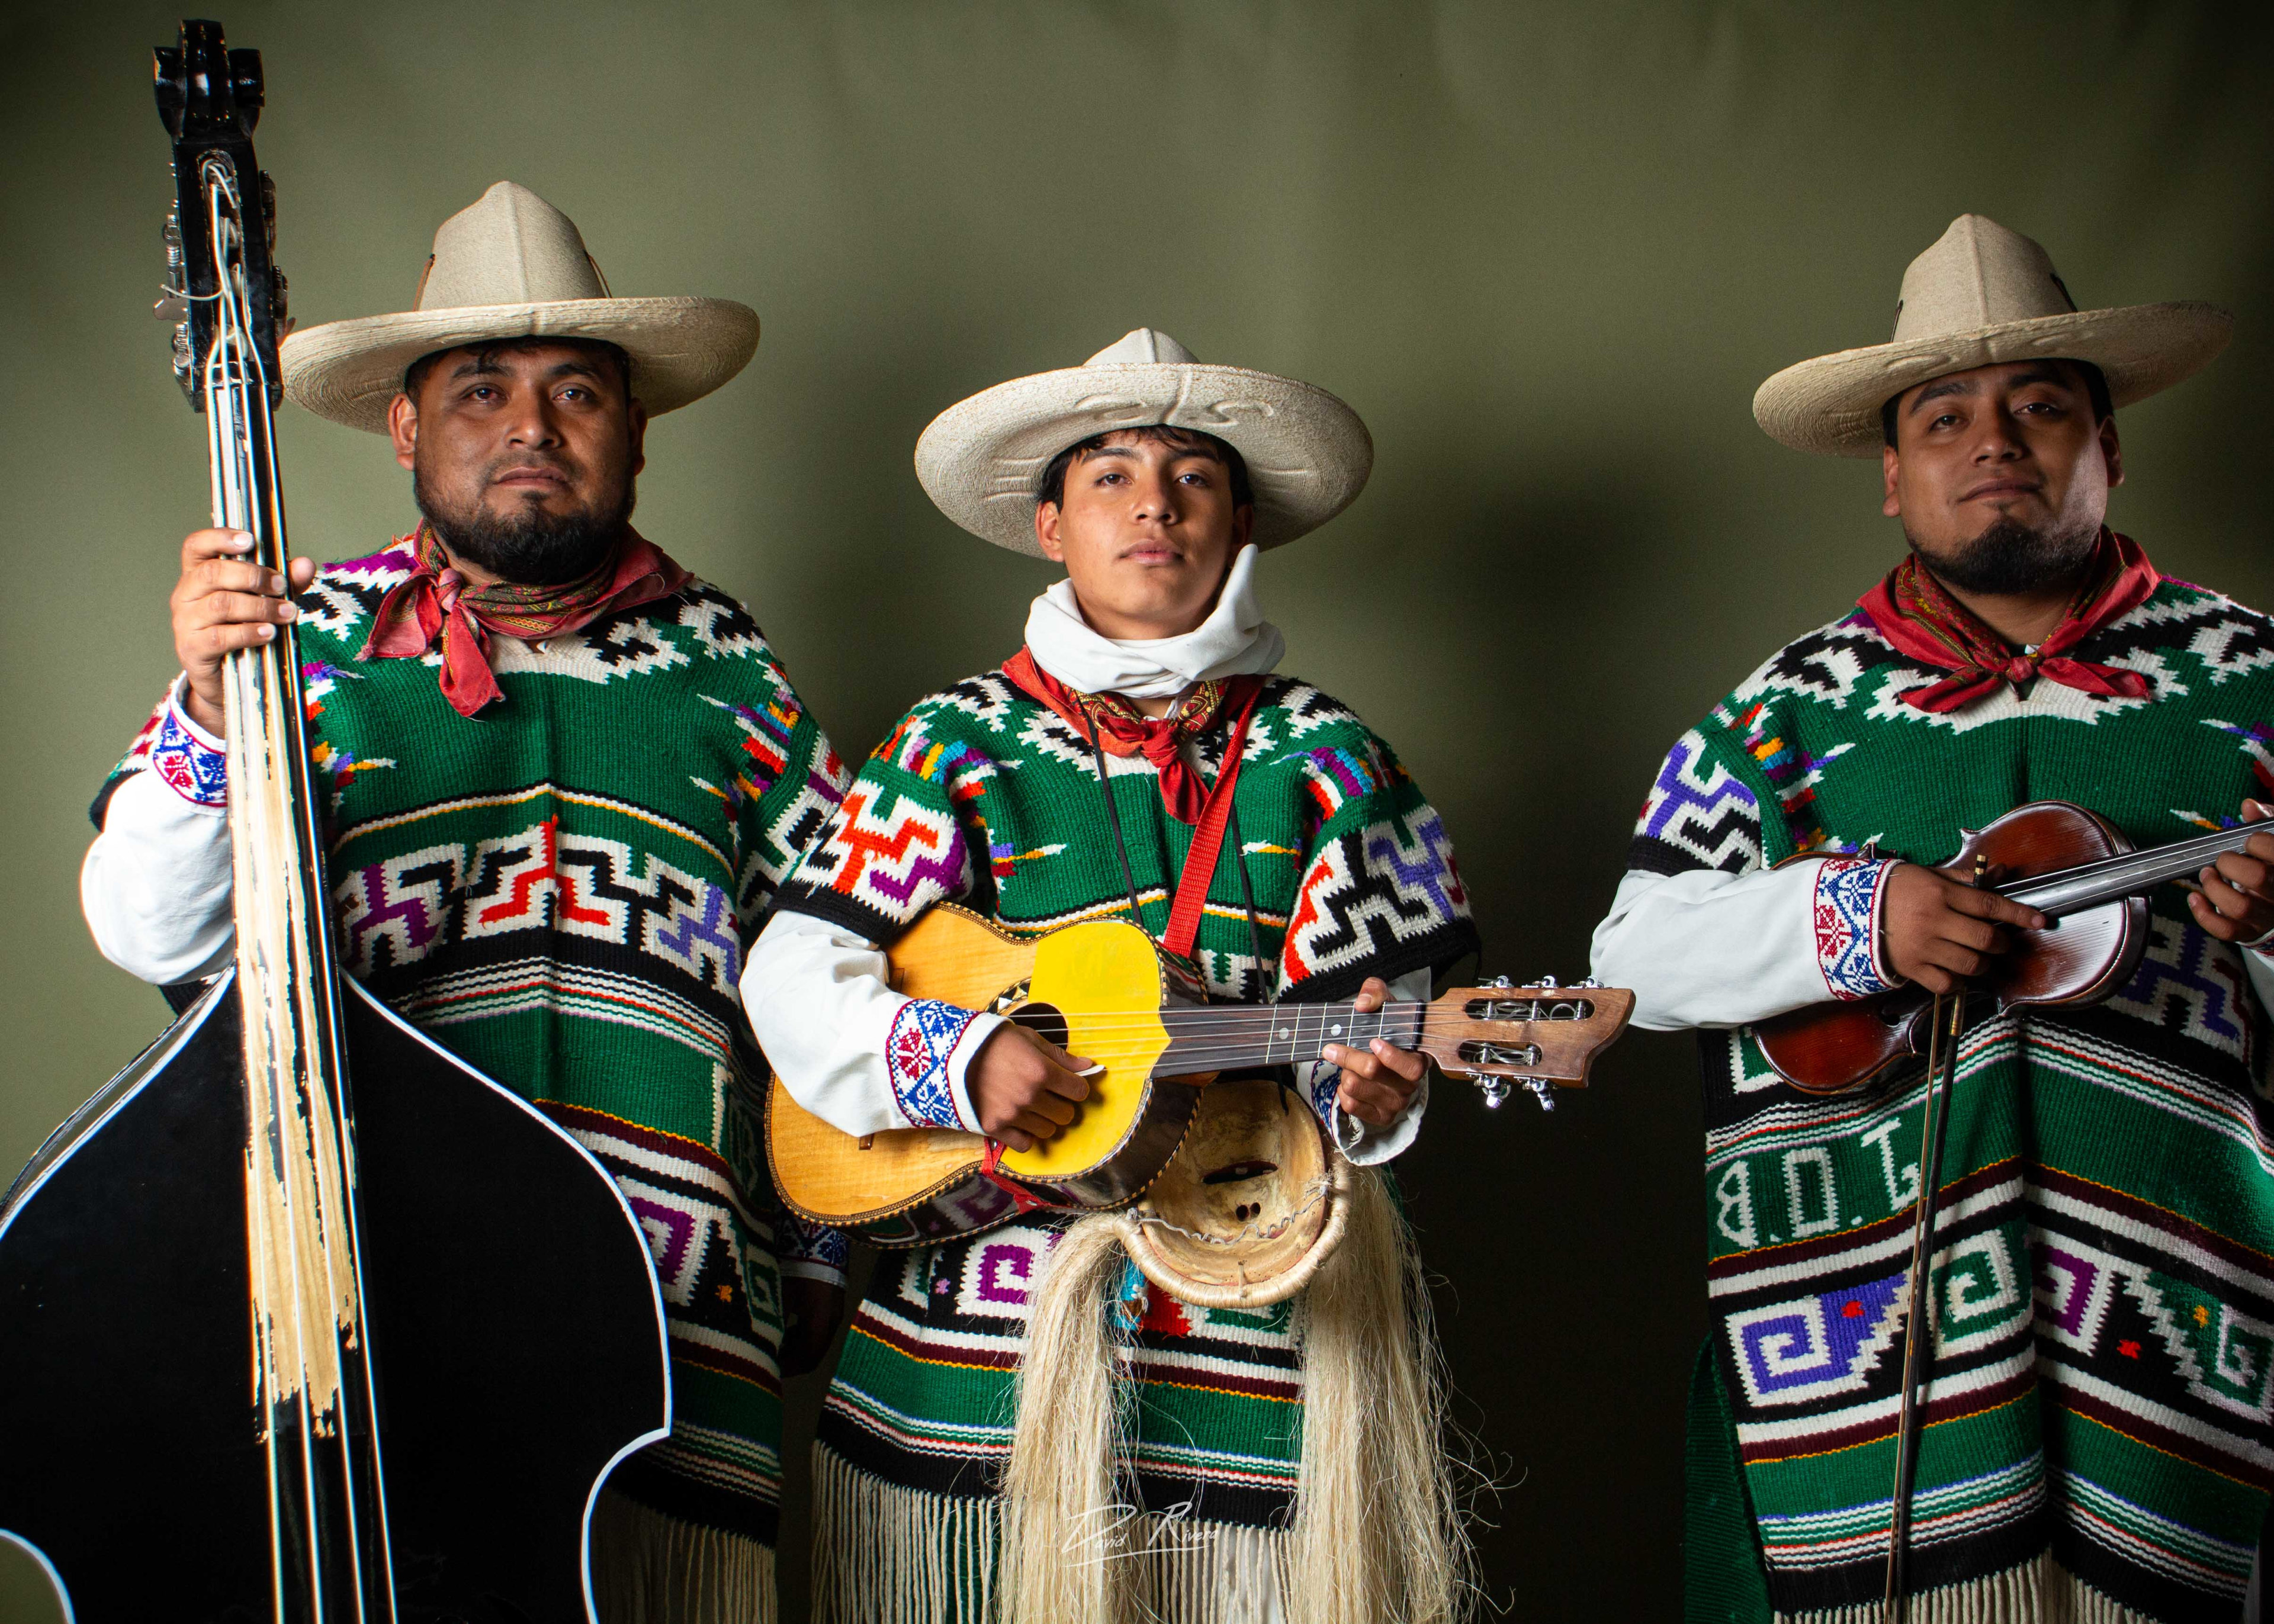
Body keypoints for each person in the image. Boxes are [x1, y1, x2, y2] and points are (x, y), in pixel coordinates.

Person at [79, 181, 849, 1619]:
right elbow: (149, 927)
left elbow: (826, 956)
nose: (531, 428)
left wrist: (816, 1233)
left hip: (680, 1302)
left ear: (635, 428)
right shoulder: (289, 638)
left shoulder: (730, 661)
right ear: (406, 425)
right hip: (391, 1282)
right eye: (481, 389)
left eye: (576, 392)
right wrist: (203, 704)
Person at [1592, 214, 2273, 1622]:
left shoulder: (2251, 678)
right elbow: (1632, 957)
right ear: (1891, 478)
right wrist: (1855, 919)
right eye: (1946, 417)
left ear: (2110, 448)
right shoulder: (1784, 709)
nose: (1997, 441)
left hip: (2201, 1310)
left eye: (2041, 408)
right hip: (1864, 1342)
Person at [744, 329, 1479, 1621]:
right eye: (1111, 477)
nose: (1155, 504)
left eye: (1194, 477)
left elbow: (1374, 1045)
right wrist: (957, 1055)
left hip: (1260, 1340)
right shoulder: (952, 745)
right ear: (1048, 525)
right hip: (977, 1365)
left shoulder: (1335, 759)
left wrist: (1374, 1094)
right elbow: (795, 968)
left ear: (1240, 521)